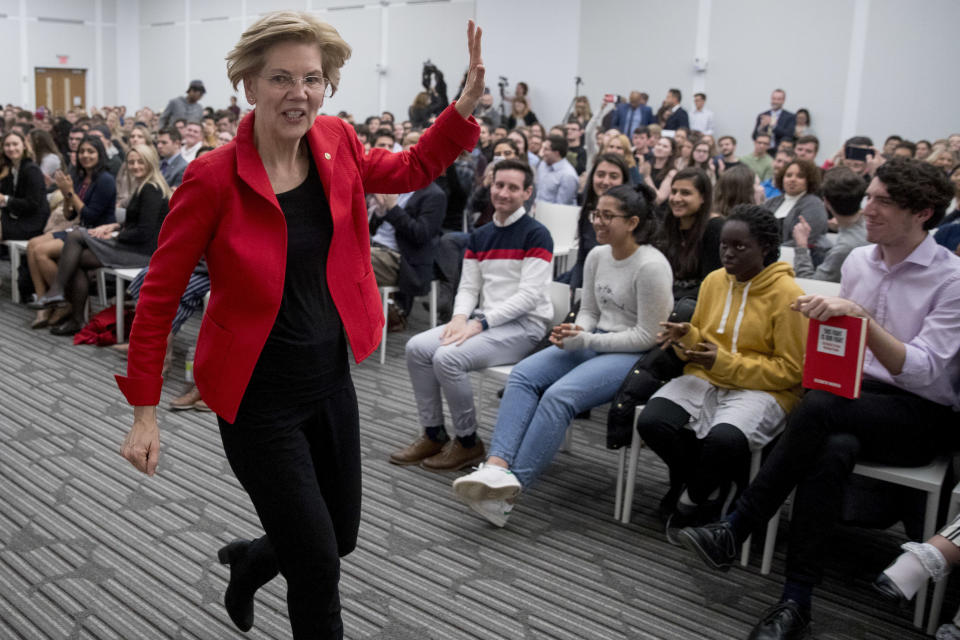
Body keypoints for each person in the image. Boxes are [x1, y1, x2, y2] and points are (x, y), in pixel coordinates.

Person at [117, 12, 484, 638]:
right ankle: (275, 561)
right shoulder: (211, 178)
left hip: (329, 382)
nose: (299, 93)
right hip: (255, 401)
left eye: (312, 78)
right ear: (250, 85)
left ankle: (254, 558)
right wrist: (145, 410)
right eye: (281, 78)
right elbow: (159, 294)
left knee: (336, 538)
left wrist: (463, 107)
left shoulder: (338, 144)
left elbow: (413, 168)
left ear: (329, 85)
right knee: (317, 566)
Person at [679, 158, 960, 640]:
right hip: (852, 401)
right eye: (869, 197)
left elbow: (925, 370)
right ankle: (795, 601)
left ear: (924, 213)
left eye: (883, 202)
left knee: (818, 406)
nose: (867, 209)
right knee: (828, 445)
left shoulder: (951, 278)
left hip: (919, 414)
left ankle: (739, 523)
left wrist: (860, 319)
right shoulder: (858, 262)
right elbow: (843, 356)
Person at [452, 183, 672, 526]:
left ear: (632, 222)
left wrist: (587, 341)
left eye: (607, 216)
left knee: (559, 396)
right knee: (524, 375)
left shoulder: (651, 266)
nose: (598, 222)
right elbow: (589, 311)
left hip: (631, 354)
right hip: (594, 341)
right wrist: (577, 332)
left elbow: (648, 336)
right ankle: (496, 467)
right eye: (596, 213)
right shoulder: (599, 255)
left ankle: (511, 488)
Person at [639, 205, 805, 539]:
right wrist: (687, 336)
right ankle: (710, 487)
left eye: (739, 247)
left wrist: (722, 362)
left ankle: (693, 497)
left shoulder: (789, 295)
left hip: (765, 390)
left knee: (724, 439)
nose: (728, 254)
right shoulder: (715, 281)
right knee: (652, 422)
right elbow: (704, 340)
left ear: (767, 248)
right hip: (709, 378)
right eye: (724, 245)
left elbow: (791, 370)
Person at [390, 159, 553, 472]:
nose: (503, 193)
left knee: (447, 358)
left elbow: (529, 296)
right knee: (416, 348)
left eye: (512, 187)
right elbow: (467, 287)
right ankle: (434, 433)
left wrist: (480, 323)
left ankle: (467, 442)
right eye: (499, 185)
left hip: (525, 326)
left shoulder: (536, 234)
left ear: (527, 192)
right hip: (486, 321)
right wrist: (460, 318)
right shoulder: (482, 234)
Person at [30, 144, 171, 335]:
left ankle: (58, 292)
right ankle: (75, 316)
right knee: (76, 257)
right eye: (131, 162)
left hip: (142, 253)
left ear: (151, 163)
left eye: (140, 162)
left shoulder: (151, 189)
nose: (135, 166)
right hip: (135, 246)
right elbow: (137, 223)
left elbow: (144, 232)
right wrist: (115, 226)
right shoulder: (144, 185)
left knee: (76, 236)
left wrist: (115, 234)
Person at [28, 135, 117, 328]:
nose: (85, 155)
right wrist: (67, 196)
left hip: (97, 236)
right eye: (82, 151)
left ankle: (64, 302)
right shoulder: (78, 176)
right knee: (33, 244)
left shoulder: (106, 180)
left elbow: (92, 216)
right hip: (79, 230)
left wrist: (69, 192)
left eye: (90, 151)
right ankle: (46, 304)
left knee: (41, 252)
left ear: (99, 154)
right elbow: (70, 215)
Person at [564, 153, 629, 291]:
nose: (605, 182)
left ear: (624, 181)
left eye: (613, 176)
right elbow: (581, 260)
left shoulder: (629, 220)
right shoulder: (587, 212)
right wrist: (574, 288)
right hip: (586, 283)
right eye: (600, 174)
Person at [792, 167, 868, 282]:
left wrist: (802, 246)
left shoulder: (843, 250)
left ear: (826, 202)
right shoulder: (872, 225)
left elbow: (812, 285)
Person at [761, 158, 829, 254]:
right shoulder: (771, 202)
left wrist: (772, 251)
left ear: (809, 180)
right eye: (788, 175)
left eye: (800, 176)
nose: (792, 179)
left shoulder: (814, 204)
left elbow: (809, 237)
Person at [0, 131, 51, 241]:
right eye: (7, 145)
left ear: (24, 146)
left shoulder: (31, 170)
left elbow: (32, 204)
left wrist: (5, 199)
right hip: (15, 218)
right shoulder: (10, 169)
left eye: (15, 144)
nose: (11, 148)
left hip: (31, 223)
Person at [536, 134, 578, 205]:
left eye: (546, 149)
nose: (542, 153)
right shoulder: (542, 165)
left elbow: (560, 206)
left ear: (556, 153)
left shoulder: (568, 175)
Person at [753, 88, 796, 154]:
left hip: (780, 151)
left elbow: (789, 135)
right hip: (763, 151)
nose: (775, 101)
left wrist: (774, 126)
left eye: (778, 99)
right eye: (773, 98)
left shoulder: (790, 117)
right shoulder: (762, 115)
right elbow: (754, 136)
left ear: (783, 100)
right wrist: (761, 127)